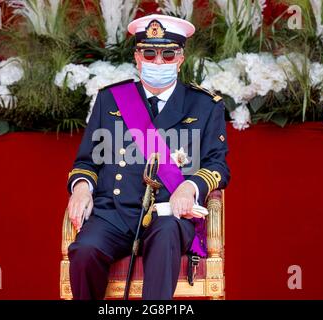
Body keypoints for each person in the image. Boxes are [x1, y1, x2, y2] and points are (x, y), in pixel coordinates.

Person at [66, 14, 230, 300]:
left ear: (180, 59)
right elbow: (87, 162)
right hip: (113, 213)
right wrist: (81, 188)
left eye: (168, 54)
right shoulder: (111, 100)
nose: (158, 62)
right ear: (137, 57)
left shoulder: (204, 106)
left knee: (166, 233)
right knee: (84, 250)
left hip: (169, 213)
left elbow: (217, 165)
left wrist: (189, 187)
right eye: (149, 53)